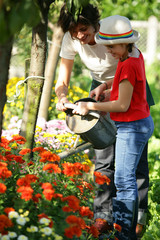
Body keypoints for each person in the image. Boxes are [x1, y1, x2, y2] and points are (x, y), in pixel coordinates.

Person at [55, 4, 154, 238]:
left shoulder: (115, 34)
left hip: (128, 90)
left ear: (96, 25)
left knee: (132, 162)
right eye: (73, 32)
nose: (79, 36)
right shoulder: (79, 40)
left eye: (83, 29)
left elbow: (127, 74)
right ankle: (103, 216)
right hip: (104, 88)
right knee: (104, 155)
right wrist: (62, 97)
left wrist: (92, 103)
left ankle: (134, 218)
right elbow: (63, 78)